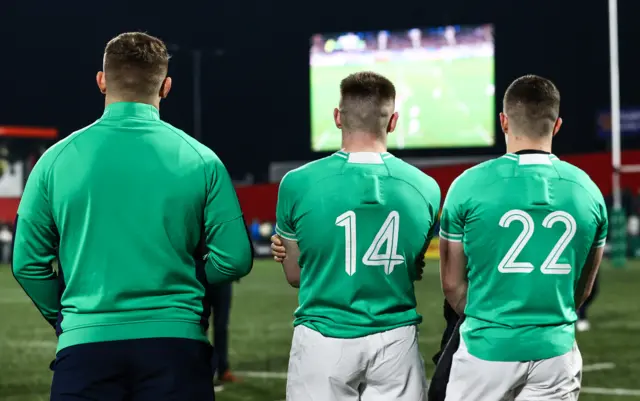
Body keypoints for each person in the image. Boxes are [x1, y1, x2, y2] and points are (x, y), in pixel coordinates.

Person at [11, 32, 253, 401]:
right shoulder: (202, 159)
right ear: (166, 86)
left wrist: (67, 318)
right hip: (176, 344)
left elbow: (28, 264)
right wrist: (191, 285)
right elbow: (234, 258)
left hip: (87, 345)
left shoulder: (54, 161)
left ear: (102, 80)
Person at [271, 71, 440, 401]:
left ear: (337, 117)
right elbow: (413, 266)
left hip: (323, 337)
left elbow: (295, 276)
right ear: (392, 121)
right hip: (396, 340)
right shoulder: (426, 187)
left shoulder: (297, 183)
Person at [438, 75, 607, 401]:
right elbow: (584, 287)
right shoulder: (588, 190)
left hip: (486, 349)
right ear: (557, 125)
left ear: (503, 121)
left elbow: (452, 284)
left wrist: (486, 319)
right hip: (556, 351)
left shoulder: (468, 185)